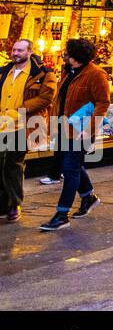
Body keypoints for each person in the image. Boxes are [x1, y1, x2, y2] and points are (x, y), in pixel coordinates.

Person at [40, 39, 109, 232]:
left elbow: (103, 103)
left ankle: (61, 214)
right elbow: (60, 100)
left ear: (75, 56)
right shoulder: (68, 71)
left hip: (80, 132)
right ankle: (88, 197)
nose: (64, 54)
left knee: (70, 169)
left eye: (67, 52)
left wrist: (89, 129)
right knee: (71, 165)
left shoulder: (96, 74)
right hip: (62, 127)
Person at [0, 41, 54, 223]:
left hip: (22, 126)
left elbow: (46, 97)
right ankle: (4, 204)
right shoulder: (4, 71)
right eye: (14, 50)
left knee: (13, 164)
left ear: (29, 52)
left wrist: (21, 109)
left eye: (20, 50)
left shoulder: (42, 73)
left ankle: (14, 204)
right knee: (1, 164)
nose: (15, 53)